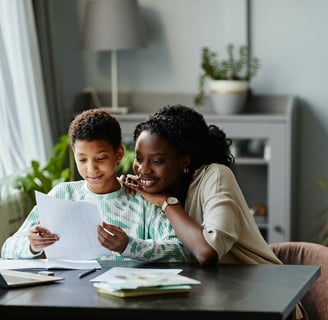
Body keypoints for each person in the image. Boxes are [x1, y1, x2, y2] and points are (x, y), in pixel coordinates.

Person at [1, 108, 187, 263]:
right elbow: (7, 248)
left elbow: (179, 251)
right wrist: (32, 245)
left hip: (124, 296)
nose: (92, 169)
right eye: (82, 159)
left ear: (119, 153)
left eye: (101, 158)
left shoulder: (141, 199)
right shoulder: (62, 195)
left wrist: (129, 246)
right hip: (68, 294)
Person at [122, 104, 282, 266]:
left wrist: (165, 202)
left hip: (260, 283)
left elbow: (207, 252)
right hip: (207, 286)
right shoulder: (154, 190)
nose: (143, 169)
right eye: (139, 159)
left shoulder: (216, 175)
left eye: (156, 161)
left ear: (183, 161)